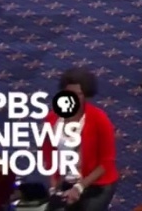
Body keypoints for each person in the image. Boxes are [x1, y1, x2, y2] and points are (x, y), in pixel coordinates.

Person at [41, 67, 118, 210]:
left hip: (97, 183)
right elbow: (49, 157)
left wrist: (79, 187)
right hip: (67, 181)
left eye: (78, 94)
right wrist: (53, 188)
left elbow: (106, 163)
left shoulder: (99, 119)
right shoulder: (51, 119)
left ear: (86, 96)